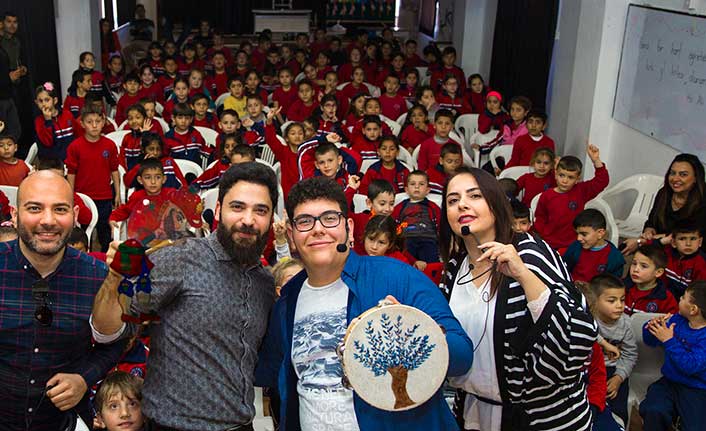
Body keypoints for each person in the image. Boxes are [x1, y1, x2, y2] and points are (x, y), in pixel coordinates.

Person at [255, 176, 473, 430]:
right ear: (291, 234)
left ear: (348, 226)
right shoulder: (287, 301)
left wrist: (412, 331)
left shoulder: (399, 276)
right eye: (304, 221)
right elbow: (265, 372)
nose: (318, 229)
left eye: (329, 218)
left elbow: (461, 356)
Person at [92, 162, 279, 430]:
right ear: (217, 211)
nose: (248, 220)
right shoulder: (180, 257)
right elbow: (107, 330)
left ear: (271, 219)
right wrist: (115, 278)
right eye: (237, 207)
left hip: (240, 424)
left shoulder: (264, 282)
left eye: (260, 211)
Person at [439, 166, 597, 430]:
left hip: (541, 419)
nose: (462, 205)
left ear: (495, 204)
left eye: (474, 196)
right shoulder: (455, 267)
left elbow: (576, 345)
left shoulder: (529, 253)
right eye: (453, 200)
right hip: (474, 413)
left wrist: (523, 275)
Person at [0, 170, 127, 429]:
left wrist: (83, 378)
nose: (48, 221)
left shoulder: (100, 277)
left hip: (62, 422)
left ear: (75, 216)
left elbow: (116, 342)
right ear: (14, 215)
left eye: (60, 209)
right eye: (35, 208)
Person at [639, 280, 706, 431]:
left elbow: (691, 366)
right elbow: (649, 341)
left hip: (697, 389)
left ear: (694, 309)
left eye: (683, 297)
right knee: (653, 409)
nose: (679, 299)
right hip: (669, 382)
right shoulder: (677, 320)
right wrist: (651, 326)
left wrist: (669, 340)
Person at [622, 154, 706, 255]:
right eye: (672, 173)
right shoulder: (664, 193)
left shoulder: (702, 201)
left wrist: (640, 241)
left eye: (683, 174)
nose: (675, 179)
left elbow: (681, 236)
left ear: (696, 178)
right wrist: (649, 231)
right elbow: (651, 222)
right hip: (662, 244)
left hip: (691, 252)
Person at [533, 143, 609, 251]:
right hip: (550, 244)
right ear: (555, 174)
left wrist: (596, 160)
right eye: (561, 175)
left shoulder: (581, 191)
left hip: (575, 243)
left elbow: (602, 181)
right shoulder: (547, 196)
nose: (565, 180)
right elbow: (540, 219)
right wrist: (545, 235)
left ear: (577, 179)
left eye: (570, 177)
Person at [65, 105, 120, 252]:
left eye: (98, 121)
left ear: (103, 122)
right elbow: (71, 173)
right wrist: (71, 195)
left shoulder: (110, 145)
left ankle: (105, 260)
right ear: (82, 124)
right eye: (90, 122)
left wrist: (118, 193)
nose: (94, 125)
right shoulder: (75, 146)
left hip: (104, 196)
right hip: (83, 197)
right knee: (83, 233)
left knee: (105, 232)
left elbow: (115, 170)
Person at [588, 274, 638, 425]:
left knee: (617, 409)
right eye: (612, 300)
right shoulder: (588, 319)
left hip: (613, 370)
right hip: (589, 370)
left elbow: (630, 355)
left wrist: (618, 378)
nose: (619, 305)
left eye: (622, 300)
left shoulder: (626, 324)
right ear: (595, 302)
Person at [392, 170, 441, 267]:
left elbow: (441, 225)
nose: (417, 187)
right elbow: (393, 224)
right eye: (412, 184)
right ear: (406, 189)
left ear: (427, 190)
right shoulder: (400, 207)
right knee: (404, 261)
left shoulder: (433, 207)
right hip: (407, 239)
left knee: (431, 264)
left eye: (421, 184)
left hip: (428, 239)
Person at [563, 209, 625, 283]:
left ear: (600, 233)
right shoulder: (575, 247)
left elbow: (612, 286)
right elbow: (563, 269)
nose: (578, 238)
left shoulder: (615, 258)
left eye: (584, 234)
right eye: (577, 234)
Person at [624, 243, 678, 315]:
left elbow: (672, 321)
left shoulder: (666, 298)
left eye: (644, 266)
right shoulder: (620, 287)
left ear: (658, 272)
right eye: (634, 263)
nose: (636, 269)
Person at [659, 220, 706, 299]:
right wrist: (661, 241)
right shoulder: (666, 253)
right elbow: (646, 248)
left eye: (693, 239)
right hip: (662, 298)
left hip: (687, 302)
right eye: (682, 239)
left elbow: (699, 294)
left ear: (700, 242)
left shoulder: (701, 263)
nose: (688, 244)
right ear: (673, 242)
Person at [34, 81, 76, 160]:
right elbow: (47, 142)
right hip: (52, 163)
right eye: (40, 101)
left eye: (47, 100)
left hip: (71, 159)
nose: (43, 104)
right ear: (36, 102)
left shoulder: (67, 115)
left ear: (55, 100)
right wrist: (48, 121)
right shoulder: (39, 121)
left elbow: (77, 135)